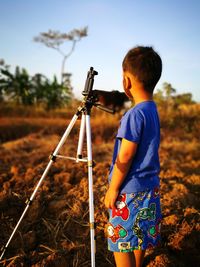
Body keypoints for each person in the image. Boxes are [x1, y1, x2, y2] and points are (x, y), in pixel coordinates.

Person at [104, 46, 162, 267]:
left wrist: (113, 188)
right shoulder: (151, 110)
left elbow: (125, 155)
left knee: (120, 241)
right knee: (140, 236)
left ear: (126, 82)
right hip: (150, 187)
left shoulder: (133, 114)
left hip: (130, 191)